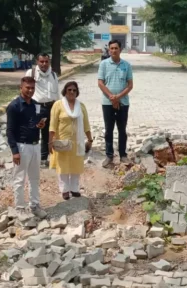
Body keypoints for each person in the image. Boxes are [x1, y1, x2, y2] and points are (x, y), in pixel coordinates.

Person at [6, 76, 48, 219]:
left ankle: (35, 205)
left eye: (32, 88)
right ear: (21, 88)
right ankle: (20, 208)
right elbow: (10, 130)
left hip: (35, 145)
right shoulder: (14, 106)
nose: (30, 90)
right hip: (22, 146)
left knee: (35, 178)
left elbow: (35, 122)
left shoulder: (35, 105)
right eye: (27, 88)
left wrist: (40, 125)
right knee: (19, 179)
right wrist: (14, 151)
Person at [48, 81, 93, 200]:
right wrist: (50, 140)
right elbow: (52, 124)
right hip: (62, 142)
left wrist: (90, 139)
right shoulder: (58, 105)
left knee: (76, 166)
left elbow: (86, 124)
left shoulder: (81, 106)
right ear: (65, 91)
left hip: (77, 142)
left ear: (77, 92)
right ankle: (64, 190)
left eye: (74, 90)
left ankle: (74, 189)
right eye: (69, 90)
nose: (72, 92)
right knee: (63, 166)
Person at [97, 39, 133, 167]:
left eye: (116, 48)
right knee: (108, 130)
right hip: (107, 102)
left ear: (120, 49)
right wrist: (111, 97)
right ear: (109, 50)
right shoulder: (104, 64)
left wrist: (118, 97)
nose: (113, 50)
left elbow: (130, 85)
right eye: (111, 48)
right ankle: (109, 155)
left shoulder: (126, 65)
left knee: (122, 129)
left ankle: (123, 155)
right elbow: (100, 83)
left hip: (123, 102)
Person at [25, 53, 59, 167]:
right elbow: (25, 89)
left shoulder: (53, 75)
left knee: (47, 133)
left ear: (49, 62)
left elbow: (56, 93)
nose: (44, 64)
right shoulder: (31, 73)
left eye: (46, 61)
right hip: (36, 107)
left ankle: (43, 159)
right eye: (41, 61)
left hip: (50, 107)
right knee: (33, 131)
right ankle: (31, 157)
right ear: (37, 62)